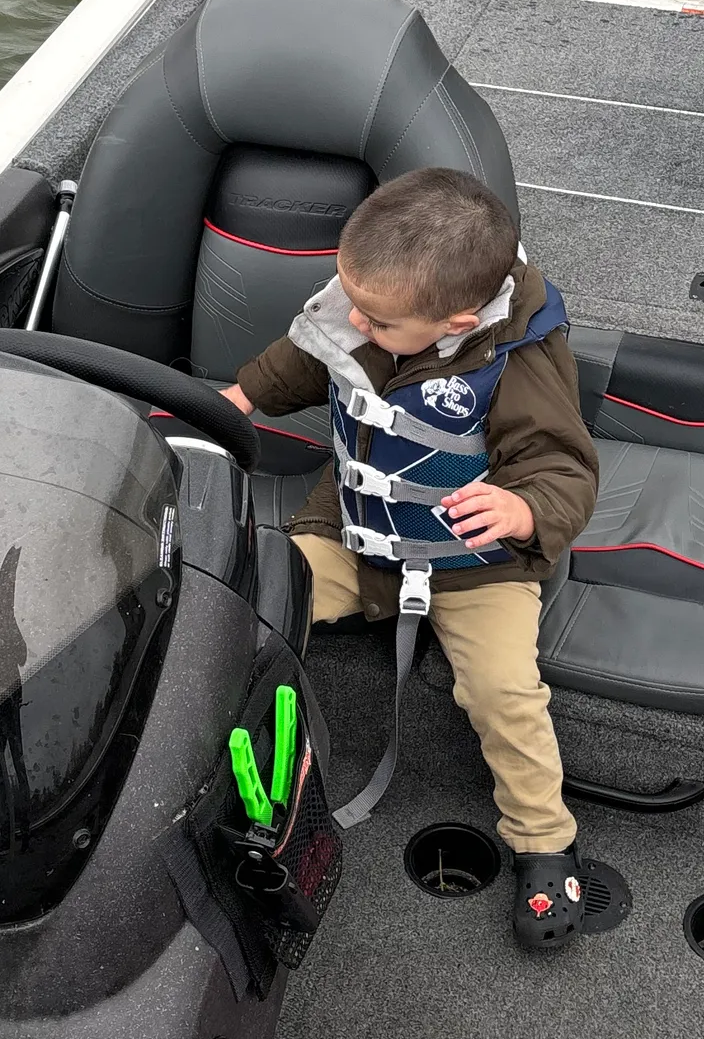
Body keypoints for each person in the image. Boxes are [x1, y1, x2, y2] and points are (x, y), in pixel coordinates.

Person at [222, 168, 600, 950]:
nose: (357, 320)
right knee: (250, 604)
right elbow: (304, 359)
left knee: (503, 690)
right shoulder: (372, 304)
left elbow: (564, 466)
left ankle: (543, 837)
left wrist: (525, 510)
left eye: (379, 321)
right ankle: (220, 768)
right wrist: (242, 398)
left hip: (477, 562)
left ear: (456, 320)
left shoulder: (521, 354)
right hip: (353, 532)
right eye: (353, 303)